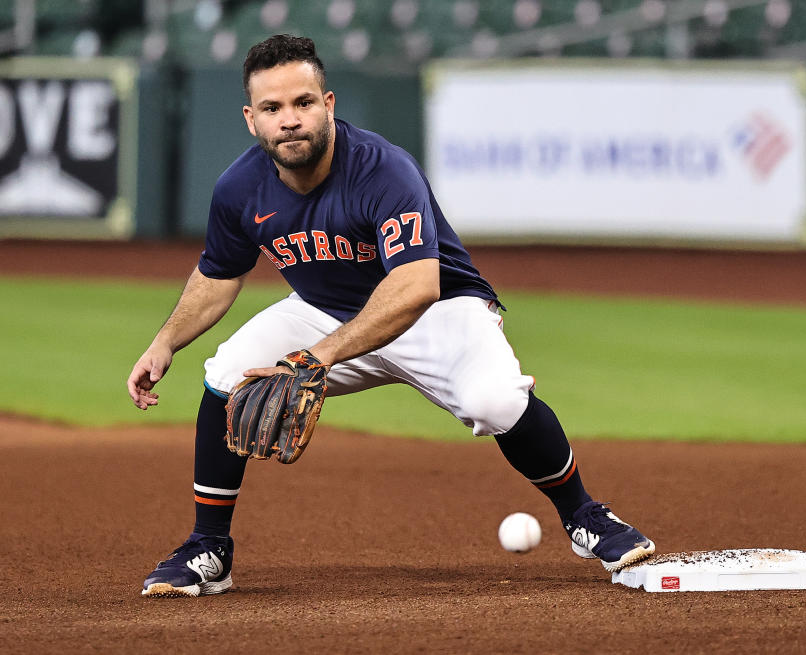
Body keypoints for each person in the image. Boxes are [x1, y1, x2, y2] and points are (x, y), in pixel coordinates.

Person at [127, 34, 654, 598]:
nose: (290, 120)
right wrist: (165, 342)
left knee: (495, 401)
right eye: (273, 108)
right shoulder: (239, 188)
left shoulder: (381, 169)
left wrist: (319, 357)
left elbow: (415, 286)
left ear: (328, 105)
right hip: (323, 312)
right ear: (250, 119)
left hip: (437, 312)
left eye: (303, 103)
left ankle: (585, 517)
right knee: (227, 376)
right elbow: (218, 274)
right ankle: (210, 546)